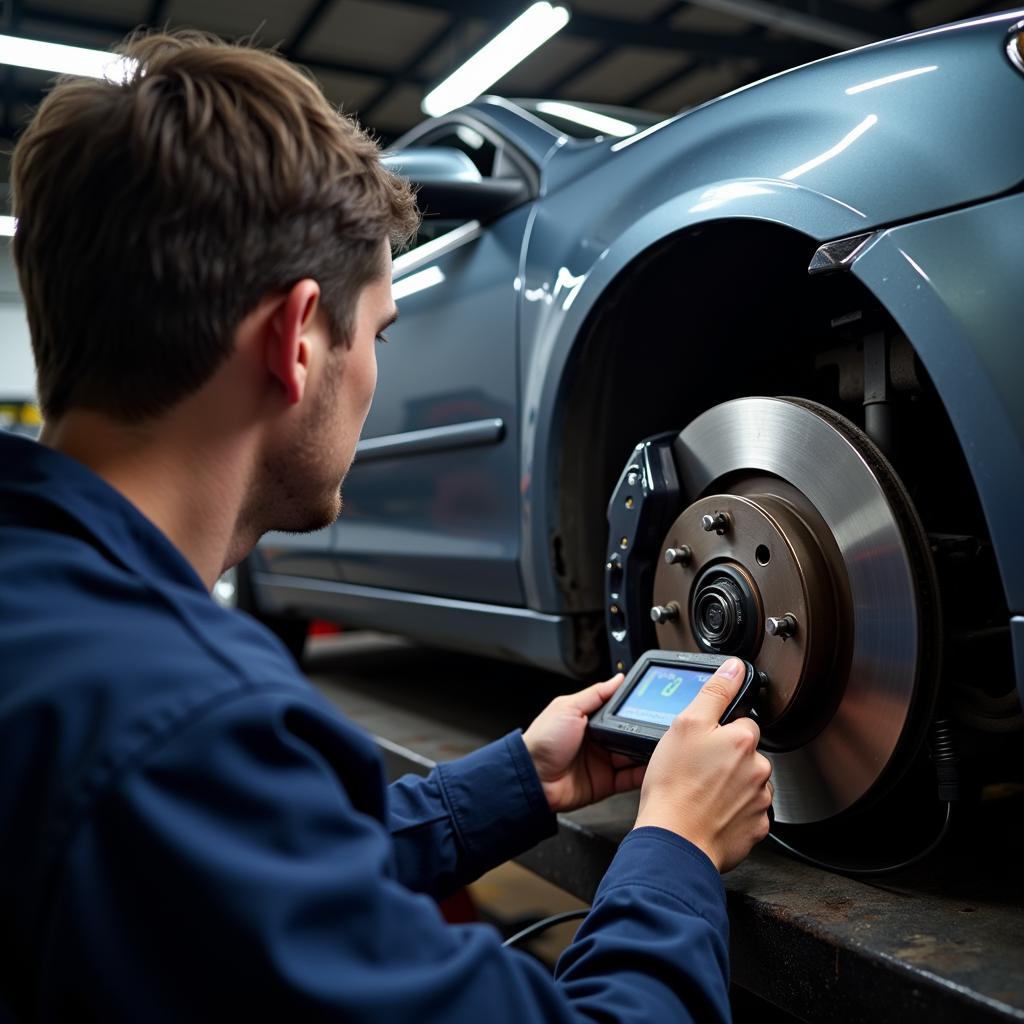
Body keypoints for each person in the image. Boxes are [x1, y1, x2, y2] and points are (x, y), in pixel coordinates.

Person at [0, 31, 773, 1022]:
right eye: (376, 335)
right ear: (295, 340)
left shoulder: (60, 629)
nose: (375, 375)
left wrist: (518, 780)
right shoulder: (182, 728)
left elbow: (257, 862)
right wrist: (675, 849)